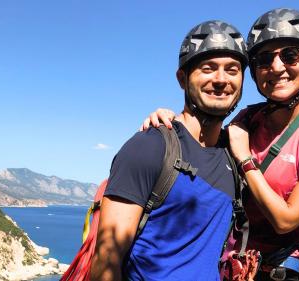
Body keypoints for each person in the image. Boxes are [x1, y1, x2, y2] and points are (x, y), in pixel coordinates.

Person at [142, 8, 299, 280]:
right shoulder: (248, 120)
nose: (276, 67)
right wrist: (171, 122)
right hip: (234, 265)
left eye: (290, 55)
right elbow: (203, 150)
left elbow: (286, 220)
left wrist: (245, 159)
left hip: (284, 269)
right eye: (264, 59)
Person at [90, 20, 248, 281]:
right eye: (208, 68)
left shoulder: (234, 155)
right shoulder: (150, 146)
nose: (221, 79)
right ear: (182, 78)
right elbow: (106, 263)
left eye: (232, 70)